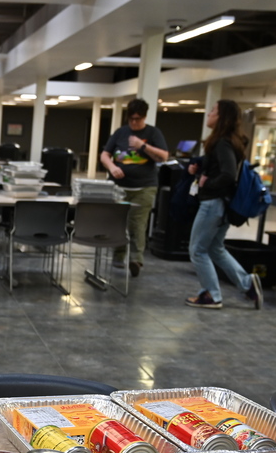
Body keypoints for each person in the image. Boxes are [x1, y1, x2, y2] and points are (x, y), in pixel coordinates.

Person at [184, 99, 262, 310]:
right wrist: (200, 168)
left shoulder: (222, 142)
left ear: (222, 117)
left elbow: (227, 174)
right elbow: (221, 167)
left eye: (213, 111)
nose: (209, 114)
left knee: (197, 250)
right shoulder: (227, 142)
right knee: (216, 249)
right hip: (222, 205)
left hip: (213, 204)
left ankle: (211, 294)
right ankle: (248, 285)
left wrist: (207, 182)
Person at [99, 98, 168, 277]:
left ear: (144, 117)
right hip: (120, 187)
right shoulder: (120, 133)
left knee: (137, 223)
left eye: (138, 119)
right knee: (119, 221)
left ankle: (136, 259)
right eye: (131, 119)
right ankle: (118, 254)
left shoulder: (153, 133)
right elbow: (105, 154)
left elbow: (163, 156)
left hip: (144, 187)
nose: (134, 122)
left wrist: (142, 146)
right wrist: (112, 167)